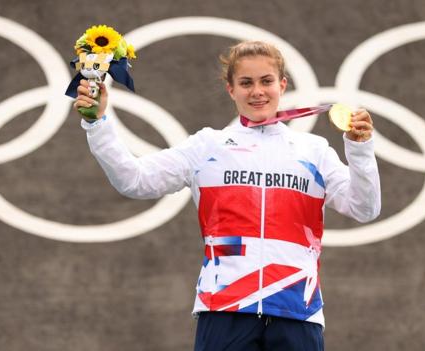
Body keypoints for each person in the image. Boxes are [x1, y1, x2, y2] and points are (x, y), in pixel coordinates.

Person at [73, 41, 381, 351]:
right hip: (224, 309)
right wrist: (97, 123)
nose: (257, 91)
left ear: (283, 85)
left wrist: (360, 150)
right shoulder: (208, 146)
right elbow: (134, 180)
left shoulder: (314, 151)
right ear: (231, 89)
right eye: (246, 83)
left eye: (266, 81)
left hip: (297, 311)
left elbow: (365, 208)